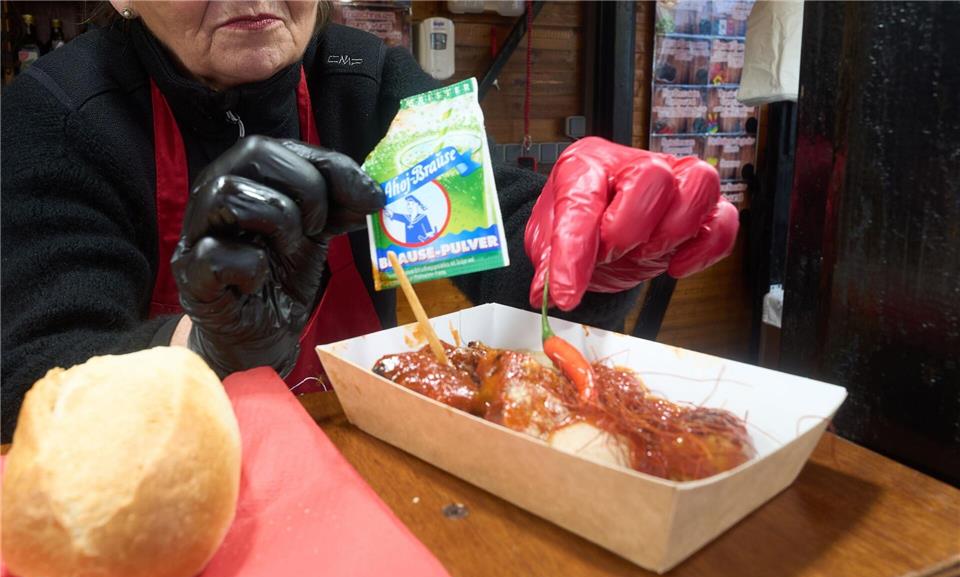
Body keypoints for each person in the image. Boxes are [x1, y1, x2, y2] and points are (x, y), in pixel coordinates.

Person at [0, 1, 738, 442]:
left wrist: (589, 245)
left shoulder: (371, 80)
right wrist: (208, 348)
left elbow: (498, 225)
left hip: (370, 479)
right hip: (167, 510)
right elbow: (26, 383)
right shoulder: (54, 120)